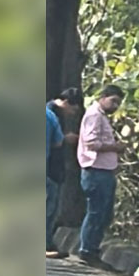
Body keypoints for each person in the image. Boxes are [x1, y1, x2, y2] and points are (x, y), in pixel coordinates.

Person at [76, 85, 126, 268]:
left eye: (118, 103)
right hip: (95, 170)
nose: (115, 106)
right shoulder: (94, 115)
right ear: (103, 97)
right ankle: (87, 250)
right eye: (113, 101)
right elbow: (91, 143)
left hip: (103, 170)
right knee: (96, 212)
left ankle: (92, 249)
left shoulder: (101, 116)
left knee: (104, 213)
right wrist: (115, 147)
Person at [46, 88, 82, 259]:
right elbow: (55, 142)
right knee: (48, 208)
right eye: (73, 109)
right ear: (66, 102)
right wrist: (66, 138)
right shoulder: (50, 115)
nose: (72, 114)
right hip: (49, 169)